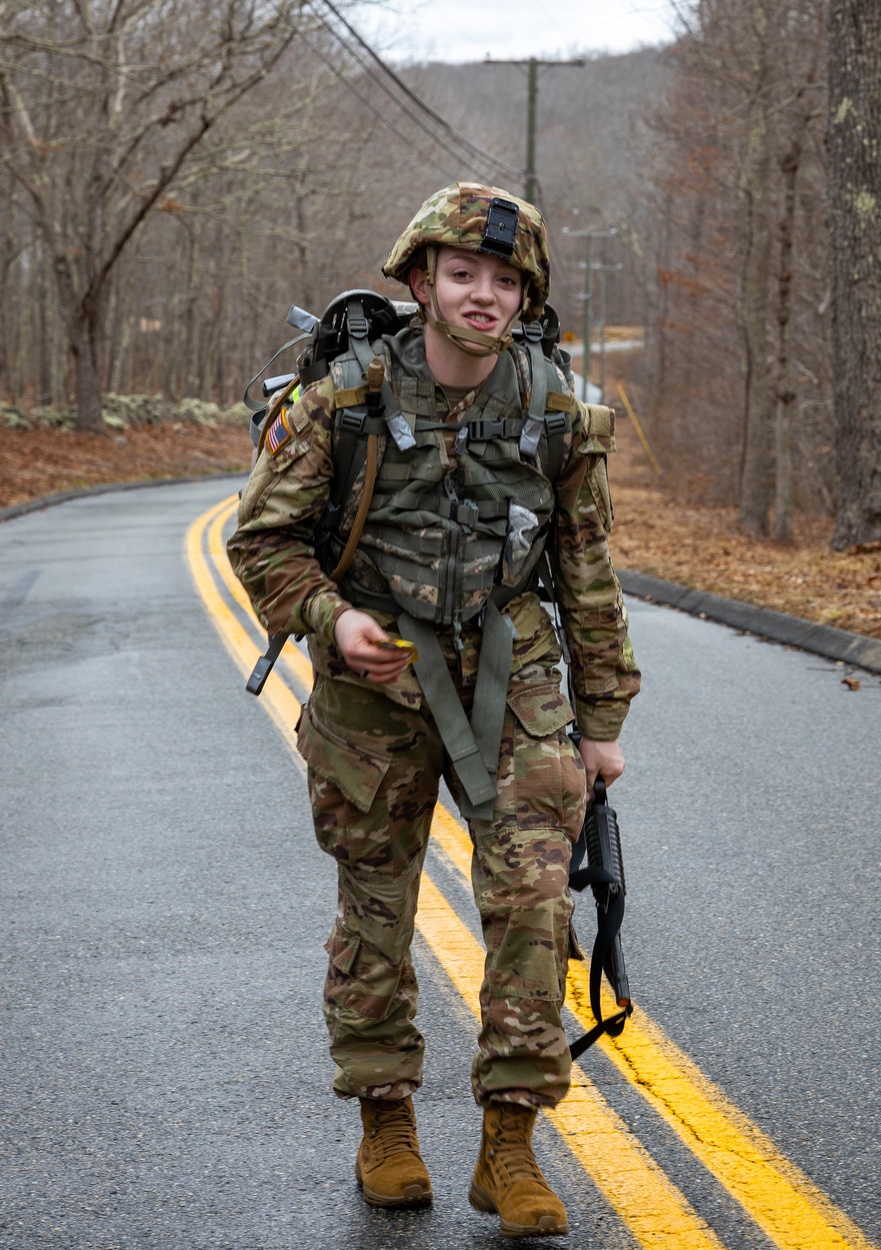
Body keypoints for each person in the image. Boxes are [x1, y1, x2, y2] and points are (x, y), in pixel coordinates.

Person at [227, 182, 640, 1238]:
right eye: (463, 274)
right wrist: (326, 618)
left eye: (506, 281)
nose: (485, 295)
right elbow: (260, 538)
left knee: (535, 905)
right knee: (376, 906)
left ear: (524, 296)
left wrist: (603, 720)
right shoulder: (347, 400)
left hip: (513, 666)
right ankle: (386, 1120)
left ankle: (510, 1143)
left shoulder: (554, 411)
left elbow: (587, 570)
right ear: (419, 281)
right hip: (378, 676)